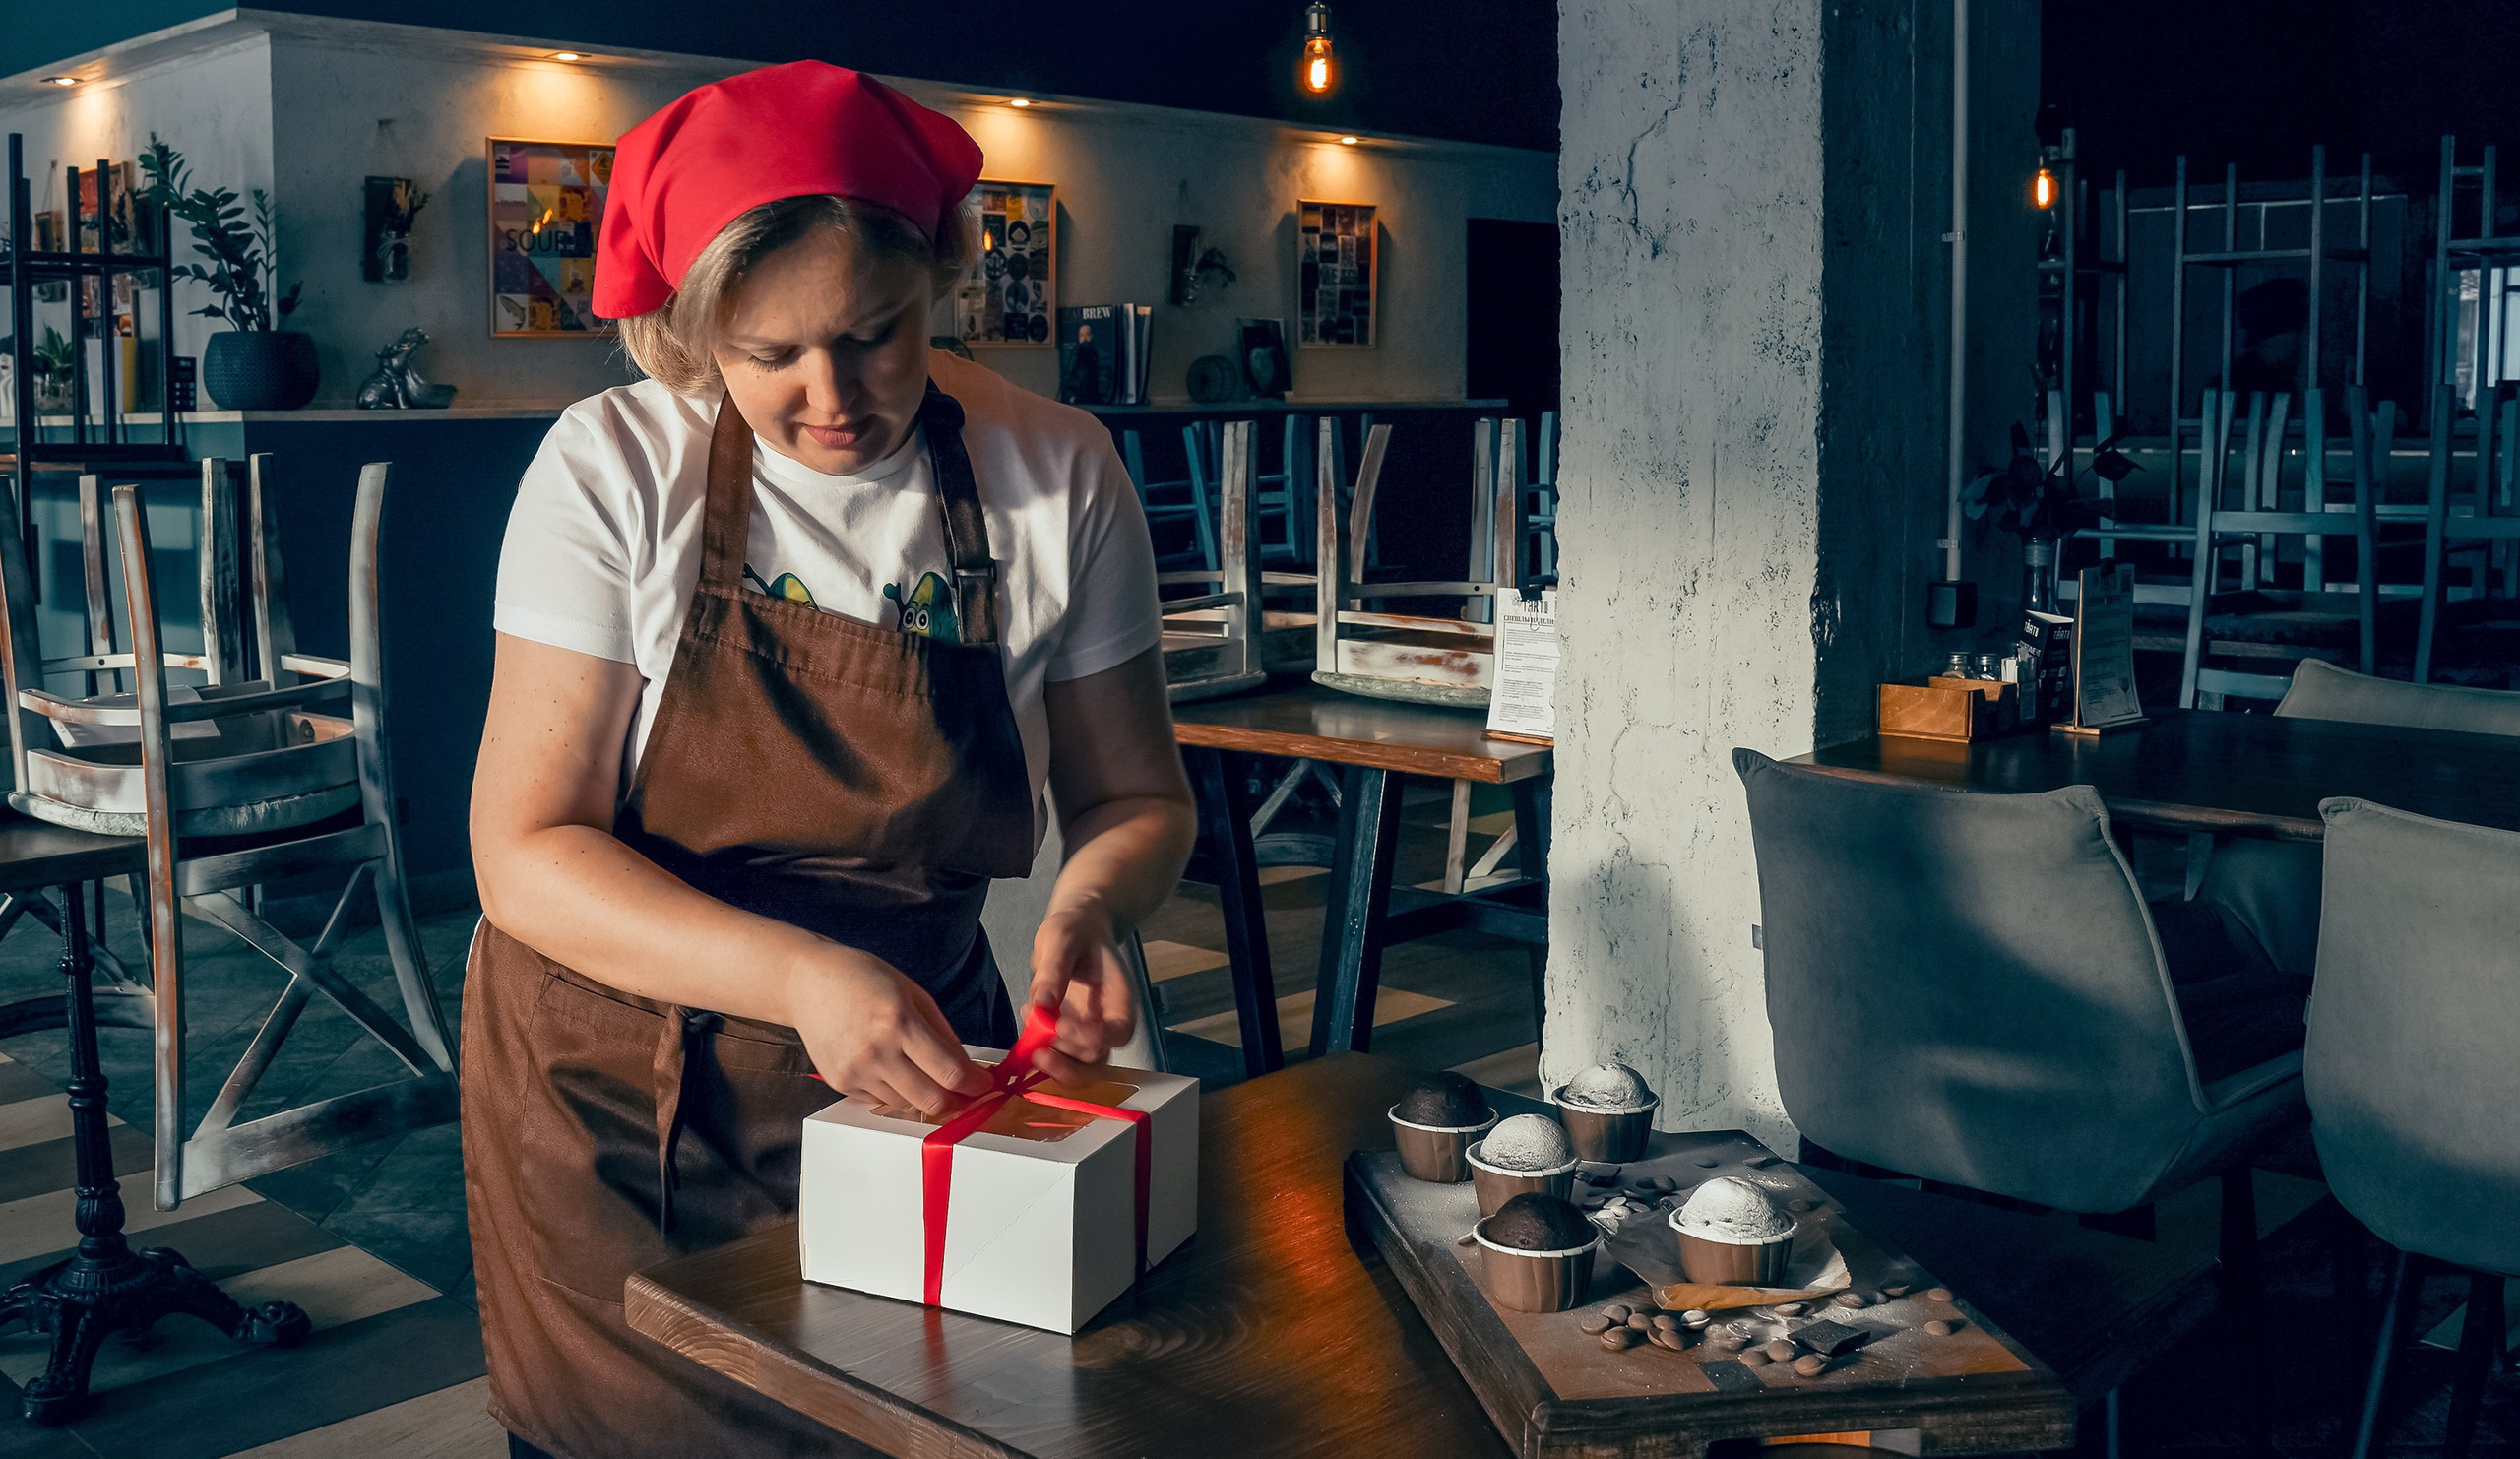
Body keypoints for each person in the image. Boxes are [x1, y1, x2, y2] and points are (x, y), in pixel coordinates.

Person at [463, 62, 1192, 1458]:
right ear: (693, 337)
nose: (833, 397)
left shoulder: (1058, 471)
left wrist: (1094, 906)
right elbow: (524, 854)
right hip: (619, 1078)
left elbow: (1134, 793)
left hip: (924, 1054)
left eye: (876, 334)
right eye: (768, 353)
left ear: (943, 277)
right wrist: (799, 976)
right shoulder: (612, 467)